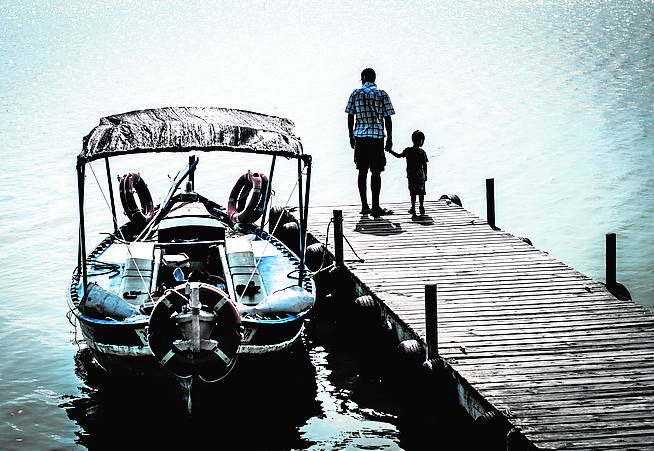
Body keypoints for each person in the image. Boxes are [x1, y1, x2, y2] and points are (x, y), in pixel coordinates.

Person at [345, 68, 395, 216]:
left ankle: (364, 206)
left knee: (362, 171)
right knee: (376, 172)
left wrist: (350, 135)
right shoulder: (382, 94)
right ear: (374, 78)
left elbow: (350, 116)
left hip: (360, 137)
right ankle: (375, 206)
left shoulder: (355, 93)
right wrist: (390, 138)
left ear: (363, 78)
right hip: (377, 137)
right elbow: (388, 118)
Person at [387, 130, 429, 216]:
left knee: (413, 192)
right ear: (421, 141)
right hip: (420, 175)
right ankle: (421, 206)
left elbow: (398, 155)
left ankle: (413, 208)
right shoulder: (422, 152)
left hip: (411, 175)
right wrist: (426, 175)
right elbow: (424, 165)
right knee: (421, 192)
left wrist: (390, 151)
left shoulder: (408, 150)